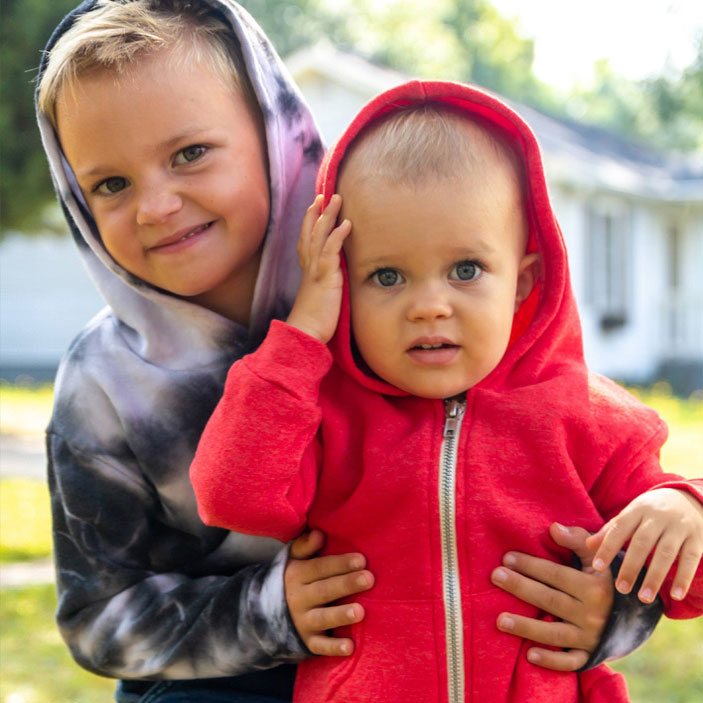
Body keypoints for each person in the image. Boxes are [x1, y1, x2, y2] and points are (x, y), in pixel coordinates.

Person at [35, 1, 678, 701]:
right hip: (209, 681)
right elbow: (99, 619)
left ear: (275, 135)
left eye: (189, 153)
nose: (155, 205)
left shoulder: (382, 286)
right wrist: (266, 612)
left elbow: (567, 499)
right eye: (109, 183)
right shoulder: (102, 384)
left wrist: (607, 618)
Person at [190, 80, 703, 703]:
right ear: (341, 287)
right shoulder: (325, 417)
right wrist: (302, 335)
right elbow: (232, 495)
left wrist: (685, 507)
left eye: (465, 270)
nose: (429, 306)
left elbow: (686, 582)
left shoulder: (590, 421)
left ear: (522, 281)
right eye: (386, 275)